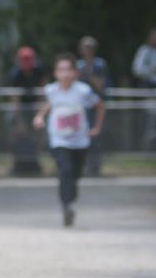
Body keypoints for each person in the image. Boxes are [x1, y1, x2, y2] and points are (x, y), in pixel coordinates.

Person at [33, 53, 106, 227]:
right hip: (59, 139)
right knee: (65, 169)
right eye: (60, 70)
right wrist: (39, 116)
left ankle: (70, 201)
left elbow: (100, 106)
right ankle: (67, 205)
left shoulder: (83, 91)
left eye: (68, 69)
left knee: (75, 174)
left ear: (75, 72)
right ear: (55, 73)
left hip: (79, 140)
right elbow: (50, 103)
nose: (64, 74)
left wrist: (97, 127)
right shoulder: (51, 90)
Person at [9, 46, 45, 176]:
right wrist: (19, 121)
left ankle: (35, 163)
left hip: (35, 107)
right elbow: (15, 99)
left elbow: (42, 91)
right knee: (17, 134)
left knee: (37, 135)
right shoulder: (15, 73)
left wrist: (39, 113)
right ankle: (17, 164)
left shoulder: (39, 70)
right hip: (20, 108)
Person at [76, 36, 109, 177]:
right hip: (81, 107)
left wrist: (89, 74)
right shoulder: (78, 65)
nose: (87, 51)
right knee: (80, 136)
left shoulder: (99, 65)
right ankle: (82, 166)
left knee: (95, 136)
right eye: (85, 47)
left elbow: (101, 85)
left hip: (95, 106)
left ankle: (95, 167)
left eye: (90, 48)